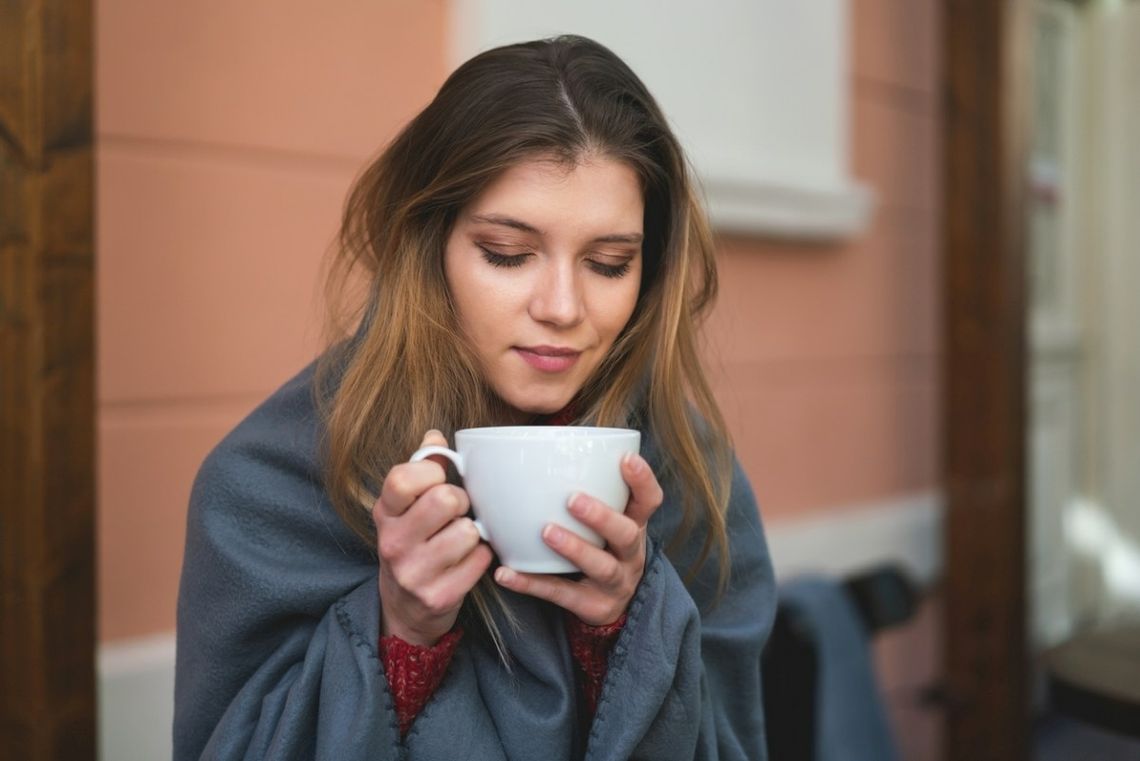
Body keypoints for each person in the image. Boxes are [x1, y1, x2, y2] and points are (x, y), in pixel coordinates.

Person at [174, 35, 776, 760]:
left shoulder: (686, 469)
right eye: (507, 253)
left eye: (608, 263)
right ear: (428, 245)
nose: (561, 306)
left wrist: (626, 626)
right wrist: (399, 636)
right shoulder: (269, 480)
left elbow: (733, 740)